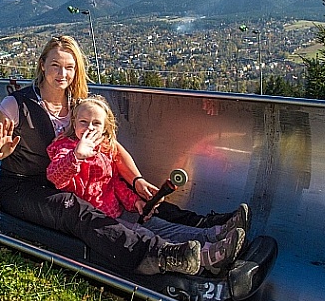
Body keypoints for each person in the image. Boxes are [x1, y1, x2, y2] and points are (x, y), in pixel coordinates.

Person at [0, 35, 245, 276]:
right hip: (25, 186)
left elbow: (113, 150)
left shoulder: (80, 106)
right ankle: (159, 255)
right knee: (73, 208)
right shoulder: (18, 104)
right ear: (42, 65)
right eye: (56, 65)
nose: (62, 73)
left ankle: (205, 227)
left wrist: (137, 180)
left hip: (71, 178)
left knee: (134, 193)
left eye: (69, 67)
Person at [46, 95, 244, 274]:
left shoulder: (104, 149)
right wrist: (77, 156)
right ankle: (207, 257)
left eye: (96, 123)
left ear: (105, 128)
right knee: (143, 236)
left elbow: (114, 183)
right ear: (74, 122)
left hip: (116, 210)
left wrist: (134, 202)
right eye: (83, 122)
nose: (89, 128)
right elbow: (55, 177)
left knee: (158, 224)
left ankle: (212, 235)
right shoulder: (65, 147)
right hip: (93, 218)